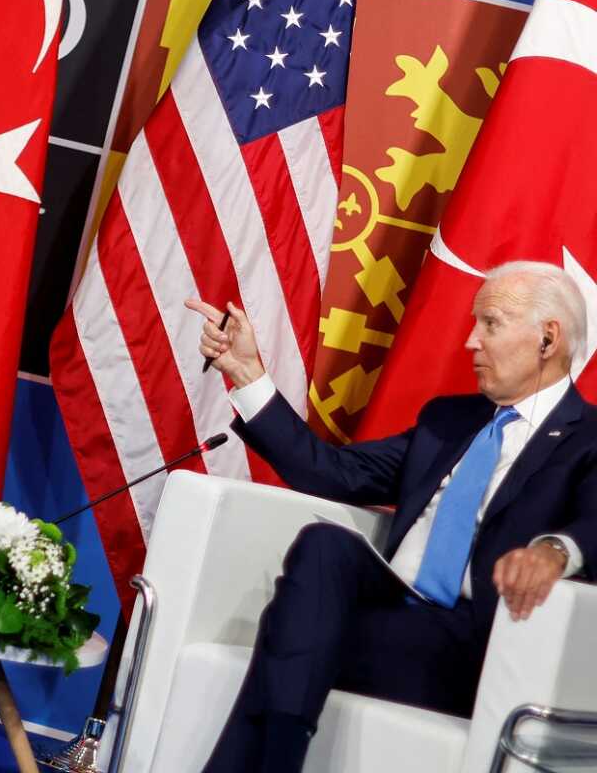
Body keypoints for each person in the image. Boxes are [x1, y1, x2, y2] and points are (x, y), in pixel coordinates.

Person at [188, 260, 597, 773]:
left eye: (490, 323)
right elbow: (332, 473)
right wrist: (248, 374)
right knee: (324, 544)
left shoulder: (587, 440)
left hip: (472, 641)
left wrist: (556, 550)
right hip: (387, 610)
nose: (471, 341)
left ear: (548, 338)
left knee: (289, 635)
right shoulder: (447, 421)